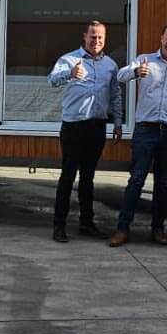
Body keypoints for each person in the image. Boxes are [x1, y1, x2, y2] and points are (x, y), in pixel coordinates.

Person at [111, 23, 167, 246]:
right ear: (161, 38)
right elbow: (120, 76)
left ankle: (158, 229)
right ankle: (122, 229)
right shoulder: (144, 59)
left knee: (162, 183)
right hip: (145, 131)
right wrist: (135, 72)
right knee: (136, 180)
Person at [46, 20, 123, 244]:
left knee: (88, 177)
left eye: (100, 37)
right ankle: (59, 226)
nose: (96, 40)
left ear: (105, 39)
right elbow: (51, 80)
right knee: (68, 176)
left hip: (97, 126)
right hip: (73, 126)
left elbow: (116, 96)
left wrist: (118, 123)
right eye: (92, 36)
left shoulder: (110, 65)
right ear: (84, 36)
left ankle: (86, 224)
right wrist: (70, 73)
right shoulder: (69, 59)